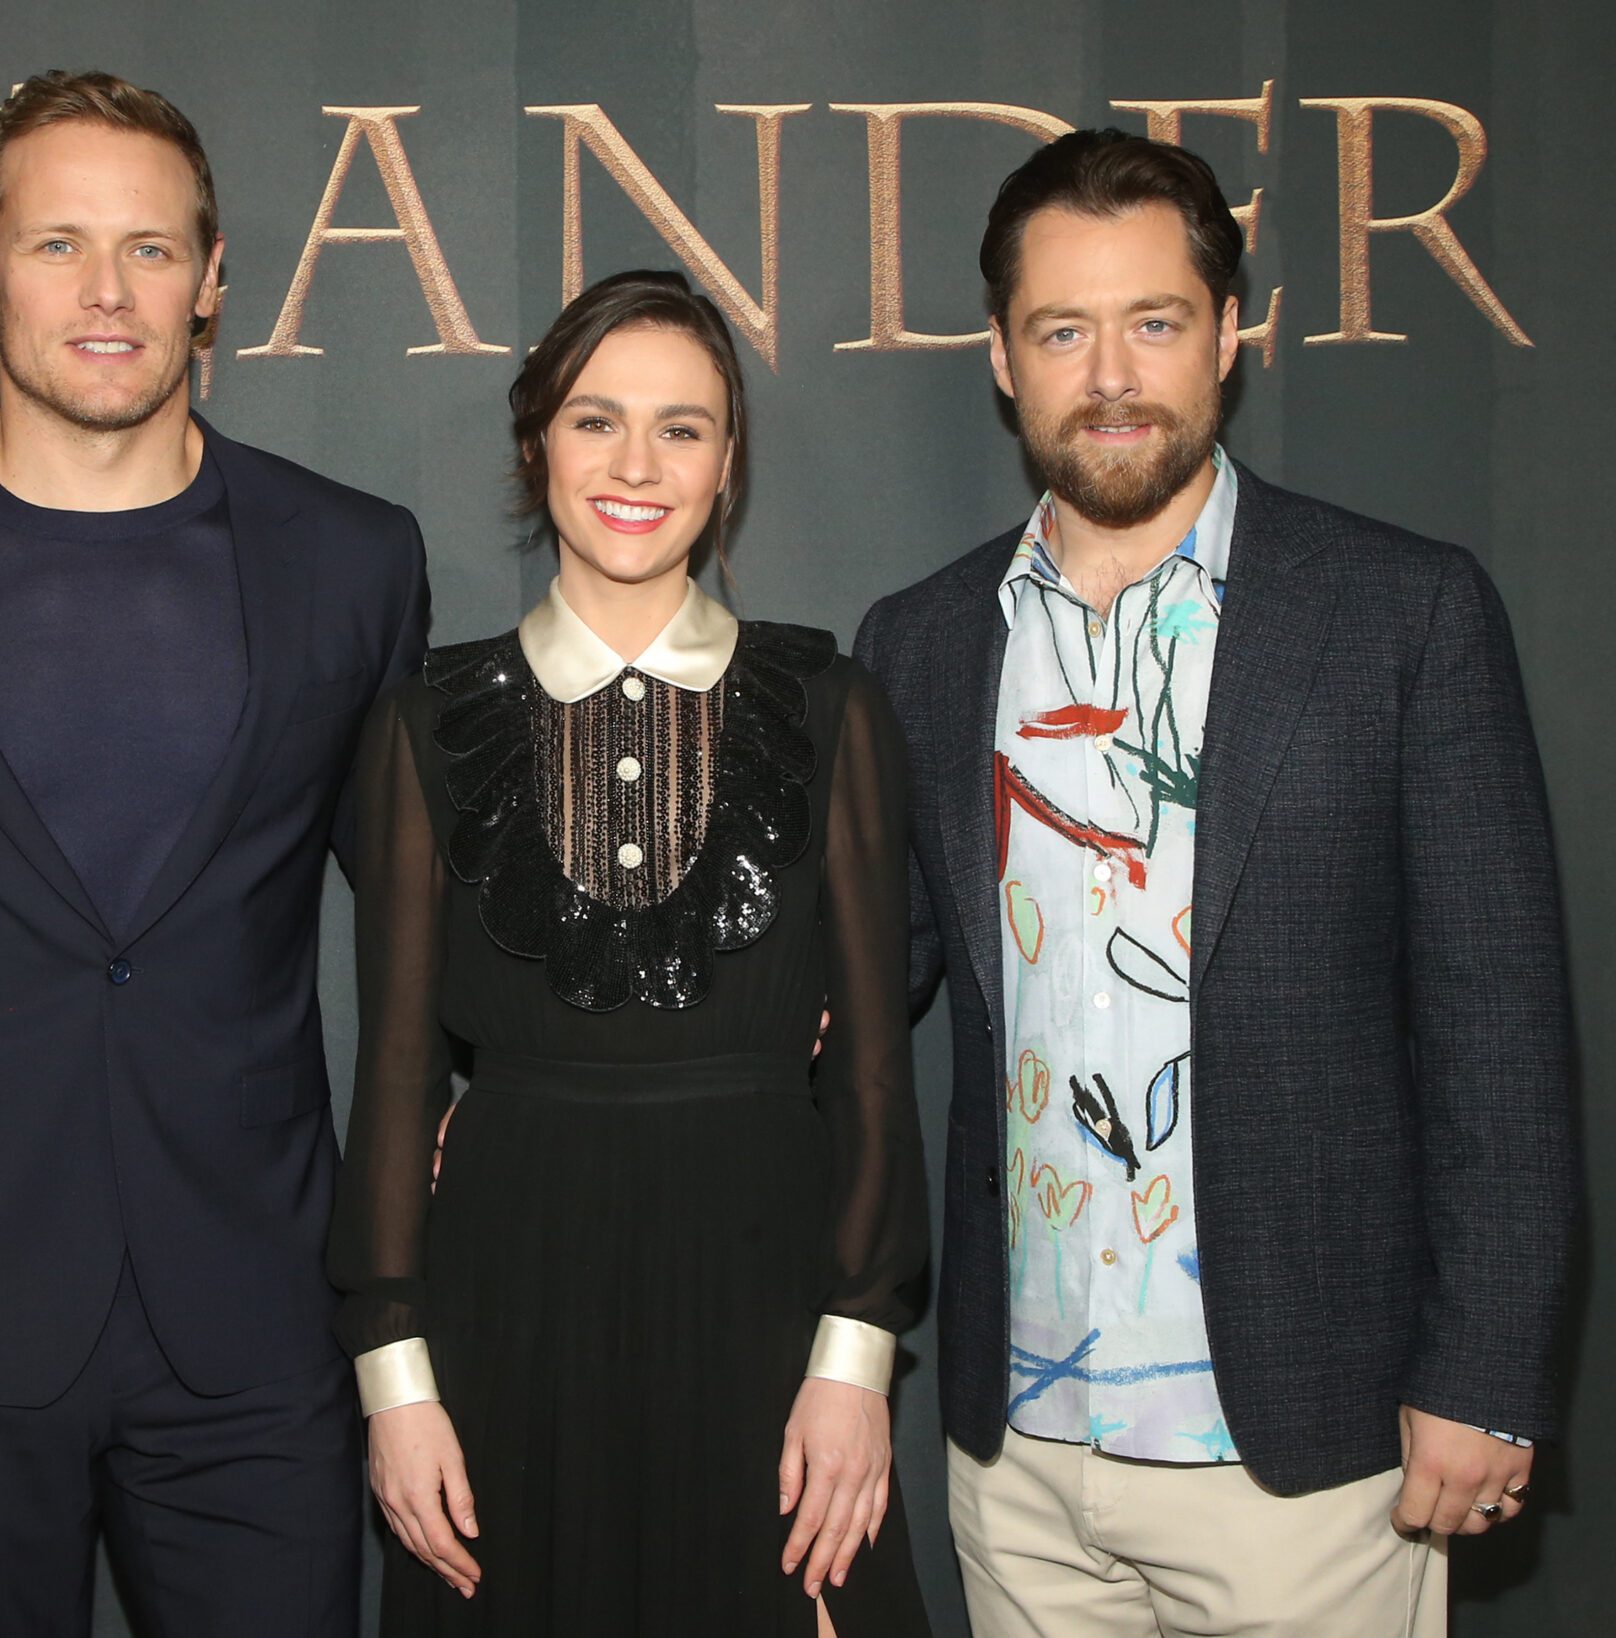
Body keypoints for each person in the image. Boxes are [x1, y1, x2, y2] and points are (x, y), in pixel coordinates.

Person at [853, 130, 1578, 1638]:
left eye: (1155, 322)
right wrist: (552, 1069)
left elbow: (1500, 1029)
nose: (1110, 374)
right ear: (1002, 356)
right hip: (1023, 1462)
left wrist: (1489, 1372)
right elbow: (854, 984)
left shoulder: (1402, 611)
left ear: (1229, 334)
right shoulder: (921, 643)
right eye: (1063, 330)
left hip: (1314, 1459)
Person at [0, 71, 429, 1636]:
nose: (106, 293)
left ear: (213, 281)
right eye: (56, 244)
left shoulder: (355, 557)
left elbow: (421, 902)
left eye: (151, 249)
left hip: (255, 1308)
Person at [329, 269, 932, 1637]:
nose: (637, 466)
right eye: (596, 420)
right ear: (535, 439)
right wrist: (393, 1377)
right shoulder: (429, 725)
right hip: (508, 1318)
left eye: (684, 427)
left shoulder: (829, 706)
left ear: (728, 467)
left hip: (771, 1313)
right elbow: (398, 1079)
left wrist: (857, 1354)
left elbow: (878, 1078)